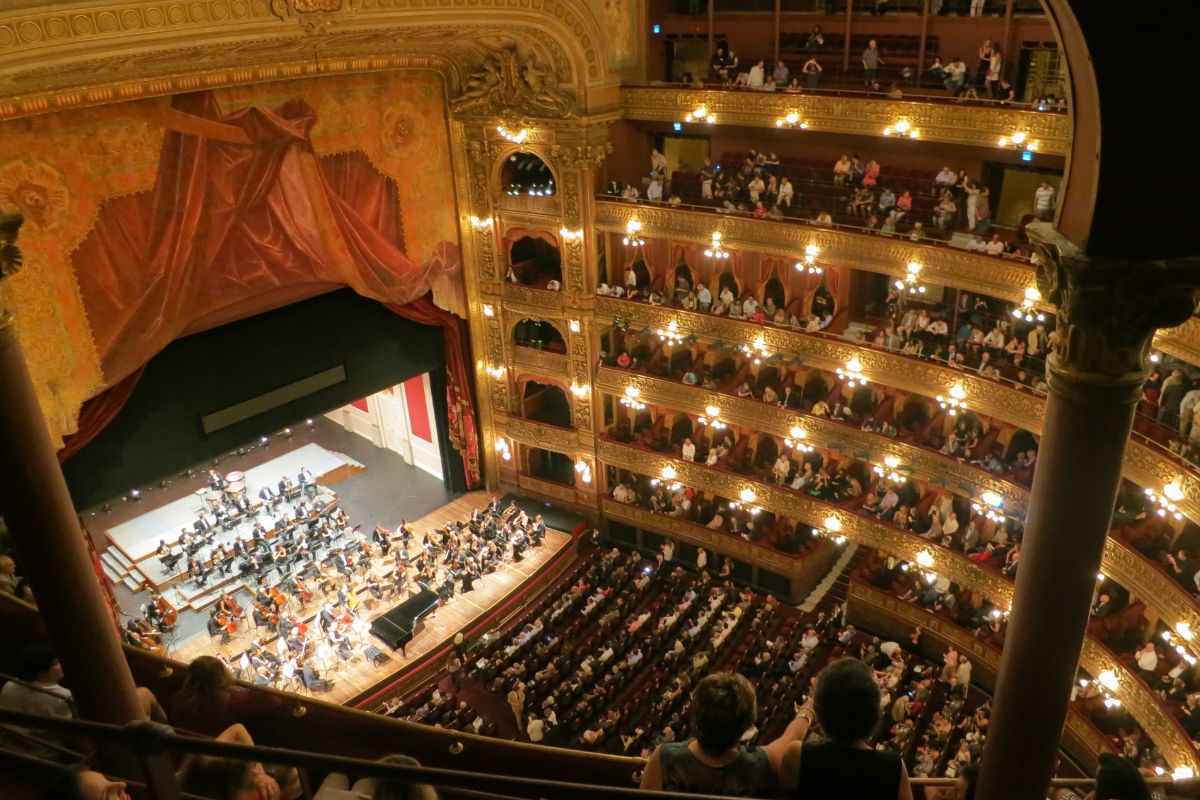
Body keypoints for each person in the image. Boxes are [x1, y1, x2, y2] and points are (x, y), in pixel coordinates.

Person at [640, 672, 815, 796]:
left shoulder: (664, 757)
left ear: (695, 715)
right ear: (747, 725)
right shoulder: (762, 763)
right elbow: (792, 736)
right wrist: (810, 704)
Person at [780, 658, 913, 799]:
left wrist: (805, 712)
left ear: (821, 711)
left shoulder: (797, 755)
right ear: (873, 713)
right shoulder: (893, 766)